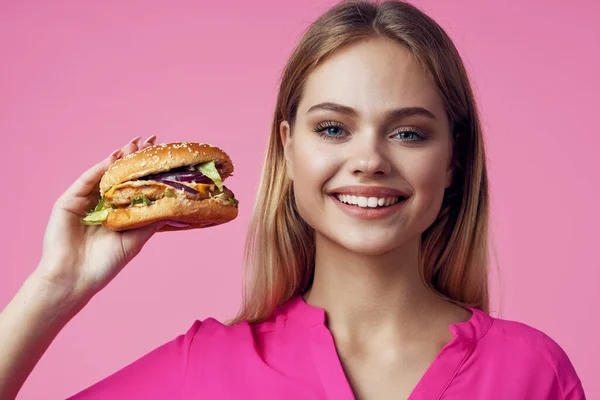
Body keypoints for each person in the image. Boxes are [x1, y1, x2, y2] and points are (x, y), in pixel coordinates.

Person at [0, 1, 586, 399]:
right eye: (333, 128)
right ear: (287, 149)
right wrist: (57, 286)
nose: (369, 159)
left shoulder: (533, 372)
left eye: (408, 132)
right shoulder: (204, 370)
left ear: (454, 158)